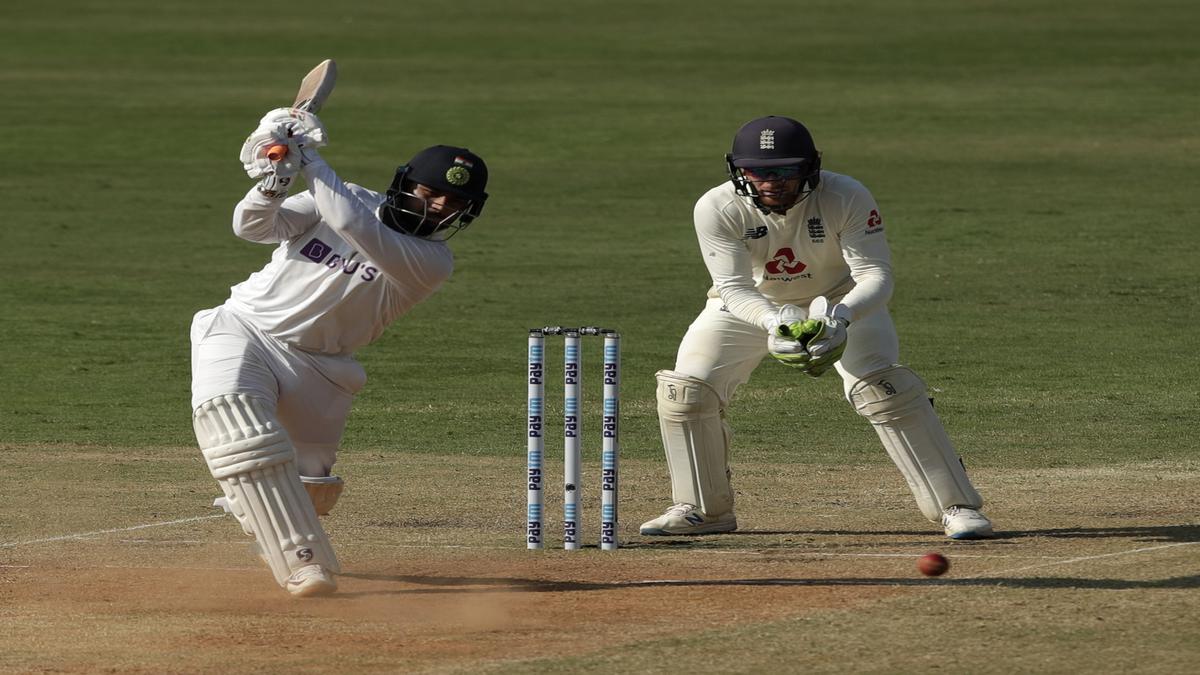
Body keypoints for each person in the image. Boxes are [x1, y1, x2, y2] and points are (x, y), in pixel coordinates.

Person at [639, 115, 994, 541]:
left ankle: (954, 506)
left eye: (785, 170)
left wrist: (840, 318)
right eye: (759, 171)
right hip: (751, 307)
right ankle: (702, 508)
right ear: (739, 170)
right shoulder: (717, 206)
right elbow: (732, 288)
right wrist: (775, 321)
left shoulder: (846, 195)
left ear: (810, 167)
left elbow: (876, 276)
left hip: (841, 299)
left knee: (884, 387)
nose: (772, 182)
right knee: (687, 391)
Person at [190, 108, 489, 596]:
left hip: (322, 368)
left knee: (311, 490)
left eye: (453, 202)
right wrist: (273, 179)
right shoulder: (336, 196)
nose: (437, 206)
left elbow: (350, 222)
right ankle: (305, 565)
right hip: (245, 328)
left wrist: (307, 156)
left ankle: (258, 505)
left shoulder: (433, 261)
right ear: (405, 183)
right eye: (429, 193)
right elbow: (252, 228)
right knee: (236, 424)